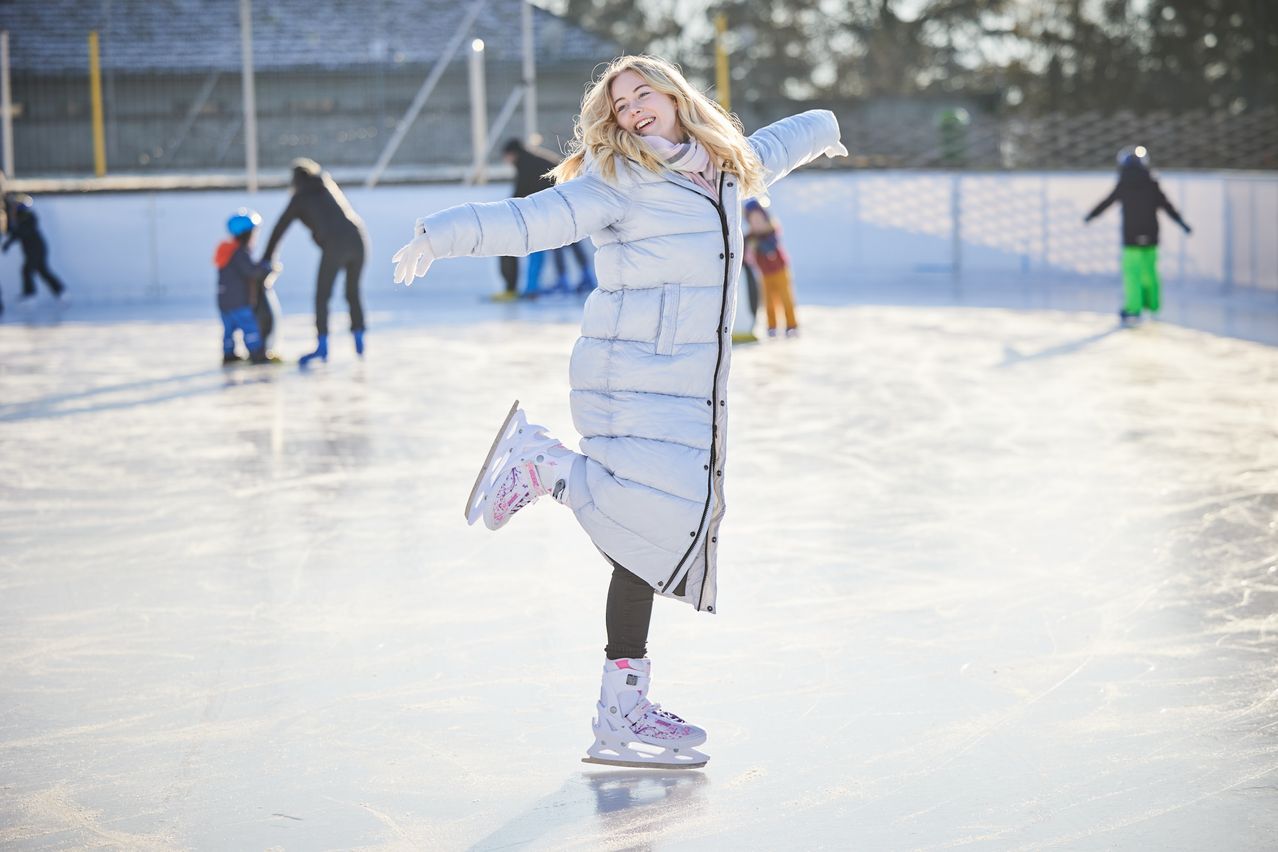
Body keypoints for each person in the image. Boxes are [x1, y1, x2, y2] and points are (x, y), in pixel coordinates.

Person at [392, 55, 846, 769]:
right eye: (619, 103)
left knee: (650, 532)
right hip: (632, 372)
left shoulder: (727, 166)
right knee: (648, 522)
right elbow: (534, 219)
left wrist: (828, 128)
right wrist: (442, 233)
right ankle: (548, 468)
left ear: (673, 95)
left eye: (642, 94)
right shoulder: (619, 180)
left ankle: (619, 708)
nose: (632, 109)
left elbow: (786, 141)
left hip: (684, 383)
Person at [261, 158, 368, 365]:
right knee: (352, 293)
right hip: (358, 238)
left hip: (336, 245)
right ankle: (359, 342)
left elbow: (279, 230)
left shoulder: (300, 198)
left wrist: (266, 259)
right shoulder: (326, 185)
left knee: (322, 297)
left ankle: (322, 347)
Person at [1084, 145, 1191, 323]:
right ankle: (1153, 305)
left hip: (1131, 237)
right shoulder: (1152, 184)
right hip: (1151, 236)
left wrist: (1090, 216)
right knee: (1150, 272)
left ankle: (1133, 308)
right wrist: (1182, 223)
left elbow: (1106, 202)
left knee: (1132, 273)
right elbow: (1168, 207)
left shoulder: (1124, 184)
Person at [499, 138, 597, 298]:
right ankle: (577, 277)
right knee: (568, 242)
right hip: (565, 201)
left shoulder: (525, 163)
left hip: (559, 204)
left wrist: (508, 210)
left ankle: (559, 281)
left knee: (558, 243)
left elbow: (520, 191)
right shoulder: (533, 159)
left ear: (511, 154)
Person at [215, 208, 272, 366]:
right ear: (247, 234)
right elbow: (251, 272)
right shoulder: (239, 253)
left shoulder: (226, 251)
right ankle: (257, 353)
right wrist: (266, 267)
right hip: (238, 301)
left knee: (229, 329)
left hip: (223, 300)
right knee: (249, 327)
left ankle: (228, 354)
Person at [743, 199, 798, 337]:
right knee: (769, 301)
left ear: (765, 217)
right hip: (765, 274)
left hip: (780, 270)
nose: (756, 223)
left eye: (758, 219)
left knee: (785, 298)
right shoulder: (750, 237)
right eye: (753, 220)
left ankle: (791, 325)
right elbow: (743, 250)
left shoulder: (771, 232)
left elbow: (770, 248)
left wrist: (758, 244)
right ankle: (772, 326)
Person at [3, 194, 68, 307]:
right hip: (33, 250)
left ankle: (30, 295)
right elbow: (13, 230)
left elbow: (19, 232)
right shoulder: (20, 218)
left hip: (37, 249)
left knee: (28, 270)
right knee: (42, 271)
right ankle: (60, 292)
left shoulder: (28, 218)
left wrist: (8, 243)